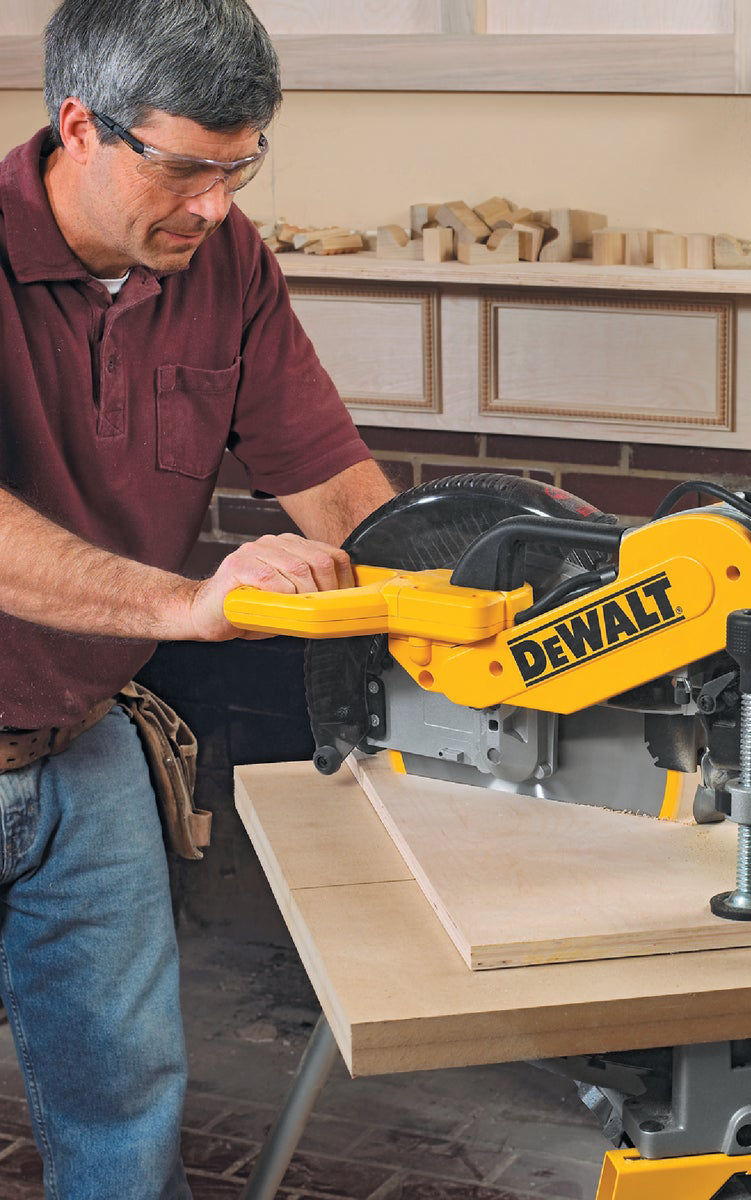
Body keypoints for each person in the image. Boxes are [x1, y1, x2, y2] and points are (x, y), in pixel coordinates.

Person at [0, 1, 396, 1195]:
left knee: (125, 1097)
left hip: (82, 741)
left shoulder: (221, 259)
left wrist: (458, 609)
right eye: (184, 169)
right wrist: (190, 605)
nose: (215, 206)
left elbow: (332, 480)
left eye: (241, 167)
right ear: (81, 126)